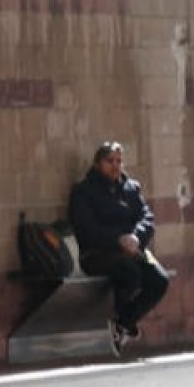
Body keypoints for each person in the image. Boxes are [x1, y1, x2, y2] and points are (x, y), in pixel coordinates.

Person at [68, 141, 170, 357]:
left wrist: (136, 237)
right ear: (97, 164)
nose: (115, 166)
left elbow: (146, 217)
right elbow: (87, 230)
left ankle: (123, 323)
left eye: (119, 161)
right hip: (99, 253)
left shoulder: (131, 188)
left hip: (133, 250)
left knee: (159, 279)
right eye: (109, 161)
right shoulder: (84, 192)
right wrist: (118, 240)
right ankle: (121, 321)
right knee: (129, 272)